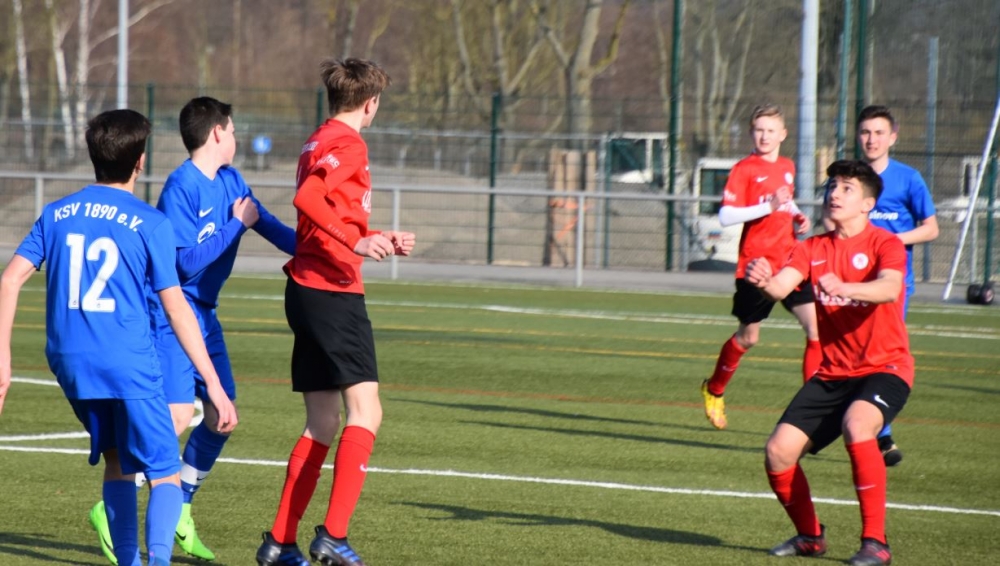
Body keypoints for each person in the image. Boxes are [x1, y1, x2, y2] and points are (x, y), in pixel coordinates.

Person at [0, 109, 238, 566]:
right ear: (140, 161)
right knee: (164, 471)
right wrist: (212, 383)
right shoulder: (150, 222)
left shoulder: (56, 213)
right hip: (126, 360)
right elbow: (176, 307)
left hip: (69, 363)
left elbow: (9, 280)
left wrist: (3, 359)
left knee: (118, 461)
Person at [87, 97, 296, 564]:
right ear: (217, 133)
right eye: (233, 130)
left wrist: (330, 249)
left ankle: (180, 505)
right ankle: (114, 501)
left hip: (206, 315)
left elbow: (268, 225)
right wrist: (235, 226)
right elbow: (182, 265)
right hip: (172, 314)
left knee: (223, 416)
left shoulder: (232, 181)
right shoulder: (180, 187)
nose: (237, 137)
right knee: (178, 416)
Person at [254, 58, 415, 566]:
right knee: (367, 411)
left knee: (322, 422)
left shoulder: (317, 140)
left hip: (306, 288)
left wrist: (375, 237)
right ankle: (334, 536)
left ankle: (280, 542)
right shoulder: (350, 144)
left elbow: (327, 212)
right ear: (371, 103)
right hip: (332, 291)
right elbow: (308, 199)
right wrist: (355, 241)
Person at [748, 159, 911, 566]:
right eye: (833, 186)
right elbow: (781, 287)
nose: (834, 193)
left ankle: (876, 543)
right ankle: (810, 536)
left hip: (885, 368)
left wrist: (846, 287)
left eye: (847, 188)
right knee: (778, 452)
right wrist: (764, 280)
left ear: (868, 204)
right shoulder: (811, 248)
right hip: (833, 374)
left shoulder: (885, 244)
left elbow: (890, 289)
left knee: (858, 424)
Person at [823, 104, 939, 466]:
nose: (871, 139)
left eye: (878, 133)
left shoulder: (908, 178)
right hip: (848, 284)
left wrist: (888, 241)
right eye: (865, 132)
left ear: (893, 137)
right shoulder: (846, 179)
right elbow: (828, 219)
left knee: (882, 356)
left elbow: (931, 228)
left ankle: (881, 434)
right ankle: (857, 424)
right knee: (849, 353)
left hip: (891, 285)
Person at [701, 103, 819, 430]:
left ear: (783, 134)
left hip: (791, 262)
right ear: (752, 133)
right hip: (757, 267)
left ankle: (812, 412)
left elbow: (785, 203)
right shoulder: (744, 169)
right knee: (748, 337)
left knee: (816, 329)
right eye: (759, 130)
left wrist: (797, 215)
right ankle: (714, 389)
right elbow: (726, 216)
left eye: (771, 130)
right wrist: (768, 206)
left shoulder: (787, 166)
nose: (764, 136)